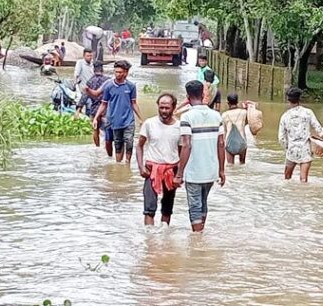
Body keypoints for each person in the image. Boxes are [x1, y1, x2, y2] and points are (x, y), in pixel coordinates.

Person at [175, 80, 226, 232]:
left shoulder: (186, 117)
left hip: (193, 171)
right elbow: (221, 144)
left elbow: (186, 145)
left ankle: (197, 239)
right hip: (211, 170)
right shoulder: (217, 116)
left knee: (195, 205)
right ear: (203, 95)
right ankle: (201, 232)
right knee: (203, 202)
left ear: (188, 97)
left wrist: (179, 173)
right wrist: (221, 170)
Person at [136, 93, 181, 226]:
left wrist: (180, 174)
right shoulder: (149, 124)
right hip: (151, 170)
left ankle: (164, 237)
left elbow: (182, 150)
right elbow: (139, 146)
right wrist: (141, 167)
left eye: (167, 108)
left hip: (171, 170)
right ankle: (150, 240)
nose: (164, 111)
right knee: (149, 209)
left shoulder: (180, 126)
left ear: (173, 108)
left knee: (167, 208)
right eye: (161, 108)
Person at [278, 87, 323, 183]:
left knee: (287, 177)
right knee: (303, 180)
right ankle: (304, 196)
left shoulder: (285, 116)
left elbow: (281, 138)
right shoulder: (308, 113)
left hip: (292, 150)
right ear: (299, 99)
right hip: (305, 150)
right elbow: (320, 131)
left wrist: (287, 148)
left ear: (288, 100)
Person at [93, 60, 144, 163]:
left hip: (128, 120)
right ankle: (118, 164)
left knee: (129, 141)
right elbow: (104, 104)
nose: (117, 74)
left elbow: (133, 103)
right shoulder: (109, 87)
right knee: (118, 144)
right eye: (116, 72)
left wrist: (141, 118)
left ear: (125, 72)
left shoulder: (131, 86)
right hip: (114, 120)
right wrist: (95, 118)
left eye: (120, 72)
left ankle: (127, 163)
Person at [74, 61, 112, 154]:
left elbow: (84, 96)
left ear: (93, 69)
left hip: (94, 109)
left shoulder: (90, 81)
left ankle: (97, 148)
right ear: (102, 69)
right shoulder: (108, 81)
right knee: (108, 130)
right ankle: (107, 149)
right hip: (105, 109)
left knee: (95, 130)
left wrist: (78, 110)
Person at [221, 93, 251, 164]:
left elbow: (224, 130)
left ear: (228, 103)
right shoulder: (244, 112)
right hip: (242, 142)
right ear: (237, 102)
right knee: (242, 164)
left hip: (229, 143)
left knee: (230, 166)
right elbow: (247, 123)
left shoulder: (224, 115)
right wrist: (246, 108)